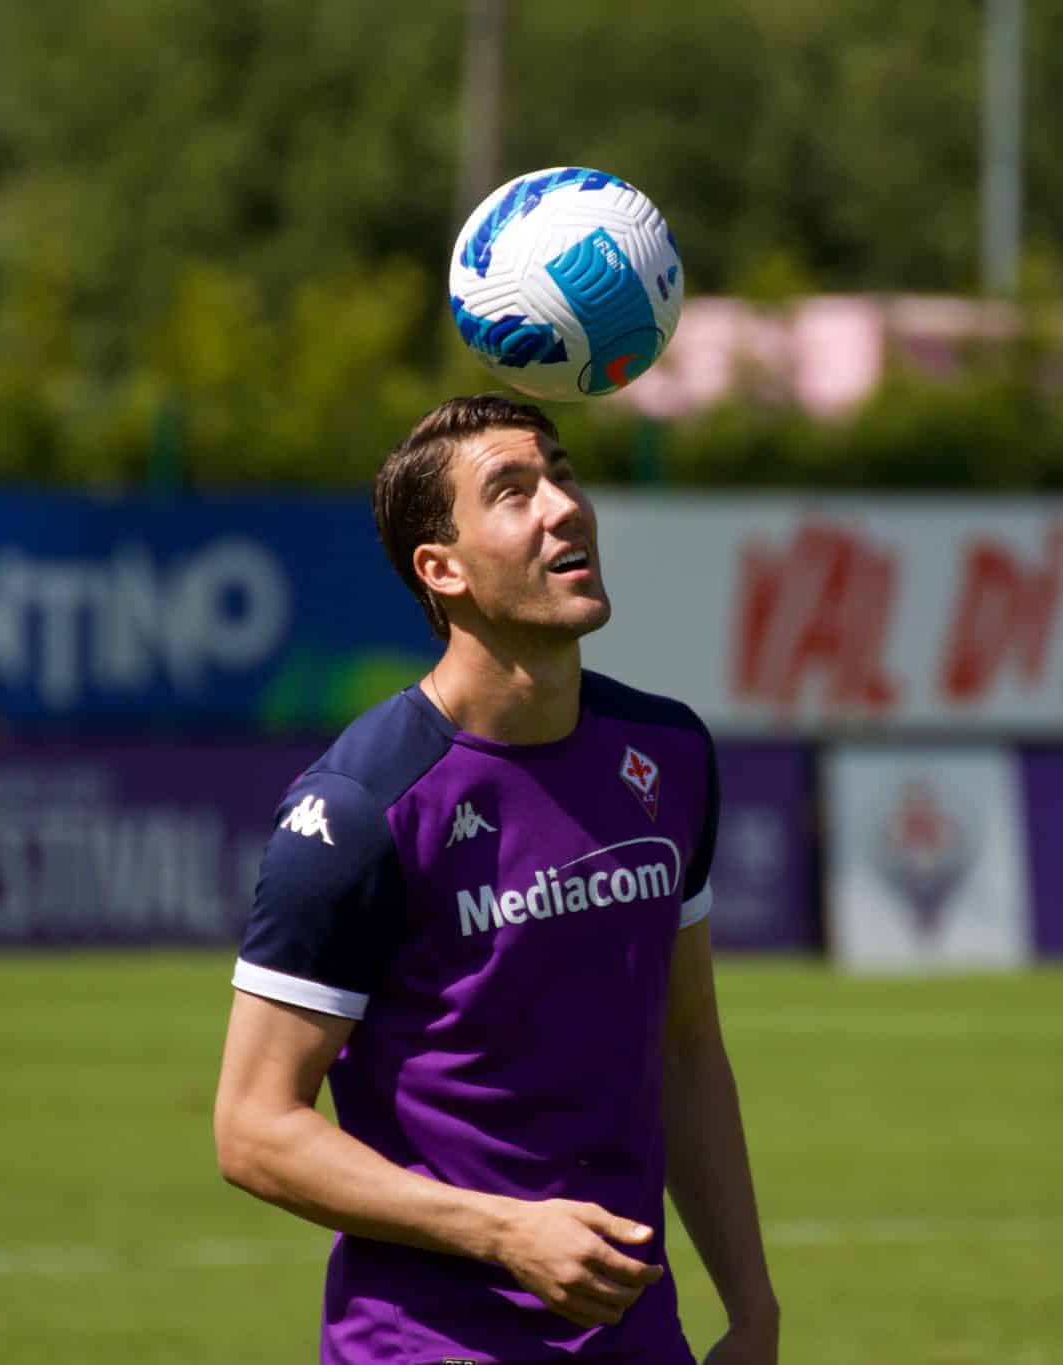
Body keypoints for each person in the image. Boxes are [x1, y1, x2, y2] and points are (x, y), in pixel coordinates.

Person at [213, 395, 779, 1364]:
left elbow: (685, 1051)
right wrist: (502, 1231)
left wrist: (753, 1308)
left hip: (636, 1339)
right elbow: (253, 1127)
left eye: (560, 474)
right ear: (442, 568)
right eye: (513, 492)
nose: (563, 506)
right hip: (431, 1345)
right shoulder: (360, 809)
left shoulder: (668, 754)